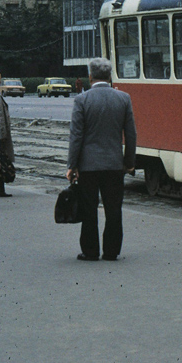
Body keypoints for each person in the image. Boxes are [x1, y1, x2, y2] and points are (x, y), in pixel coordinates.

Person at [66, 57, 136, 261]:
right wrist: (129, 162)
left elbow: (76, 136)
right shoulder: (124, 98)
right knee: (114, 209)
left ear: (90, 77)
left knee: (89, 208)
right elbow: (131, 134)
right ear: (110, 76)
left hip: (88, 165)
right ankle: (111, 251)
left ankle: (90, 251)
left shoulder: (82, 100)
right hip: (114, 164)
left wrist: (72, 165)